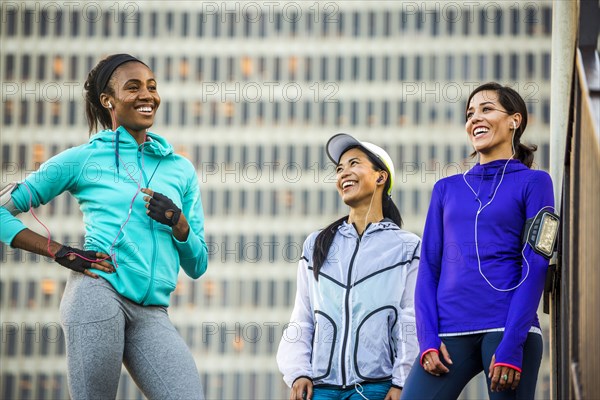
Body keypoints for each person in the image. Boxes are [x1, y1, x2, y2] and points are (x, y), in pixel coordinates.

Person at [0, 54, 208, 399]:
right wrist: (59, 252)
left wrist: (179, 223)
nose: (147, 95)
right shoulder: (84, 158)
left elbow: (198, 265)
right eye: (133, 87)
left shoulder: (180, 169)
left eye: (152, 87)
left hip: (152, 310)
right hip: (98, 294)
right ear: (107, 100)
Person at [402, 82, 557, 400]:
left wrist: (513, 343)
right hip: (449, 332)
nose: (475, 118)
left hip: (507, 328)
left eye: (487, 109)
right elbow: (429, 268)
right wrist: (427, 338)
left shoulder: (535, 182)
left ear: (515, 120)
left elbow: (537, 261)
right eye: (470, 113)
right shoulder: (446, 189)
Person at [277, 133, 420, 400]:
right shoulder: (317, 244)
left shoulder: (408, 247)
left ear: (380, 177)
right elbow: (303, 316)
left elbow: (410, 318)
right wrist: (298, 372)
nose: (344, 173)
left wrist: (402, 381)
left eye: (354, 164)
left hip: (377, 386)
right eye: (339, 169)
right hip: (319, 388)